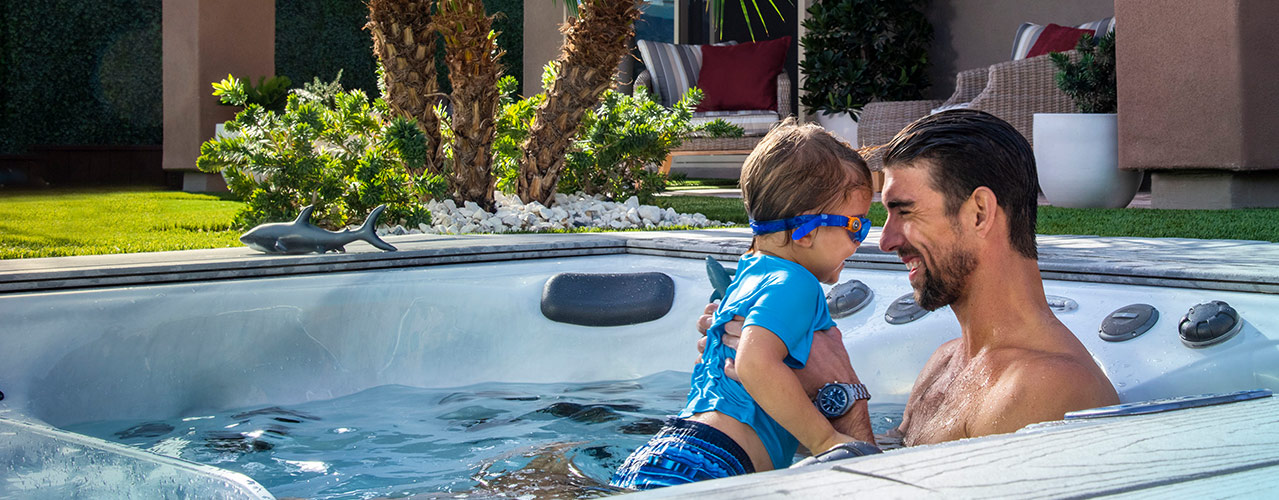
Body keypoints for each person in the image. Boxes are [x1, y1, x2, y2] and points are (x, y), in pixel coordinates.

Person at [699, 110, 1119, 449]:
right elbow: (885, 465)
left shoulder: (1043, 389)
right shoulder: (946, 361)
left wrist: (842, 395)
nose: (885, 241)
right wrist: (774, 368)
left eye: (905, 211)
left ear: (979, 213)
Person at [611, 120, 877, 490]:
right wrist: (827, 442)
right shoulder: (795, 282)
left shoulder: (749, 273)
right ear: (806, 231)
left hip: (673, 450)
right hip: (714, 463)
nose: (860, 240)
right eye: (856, 226)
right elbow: (753, 363)